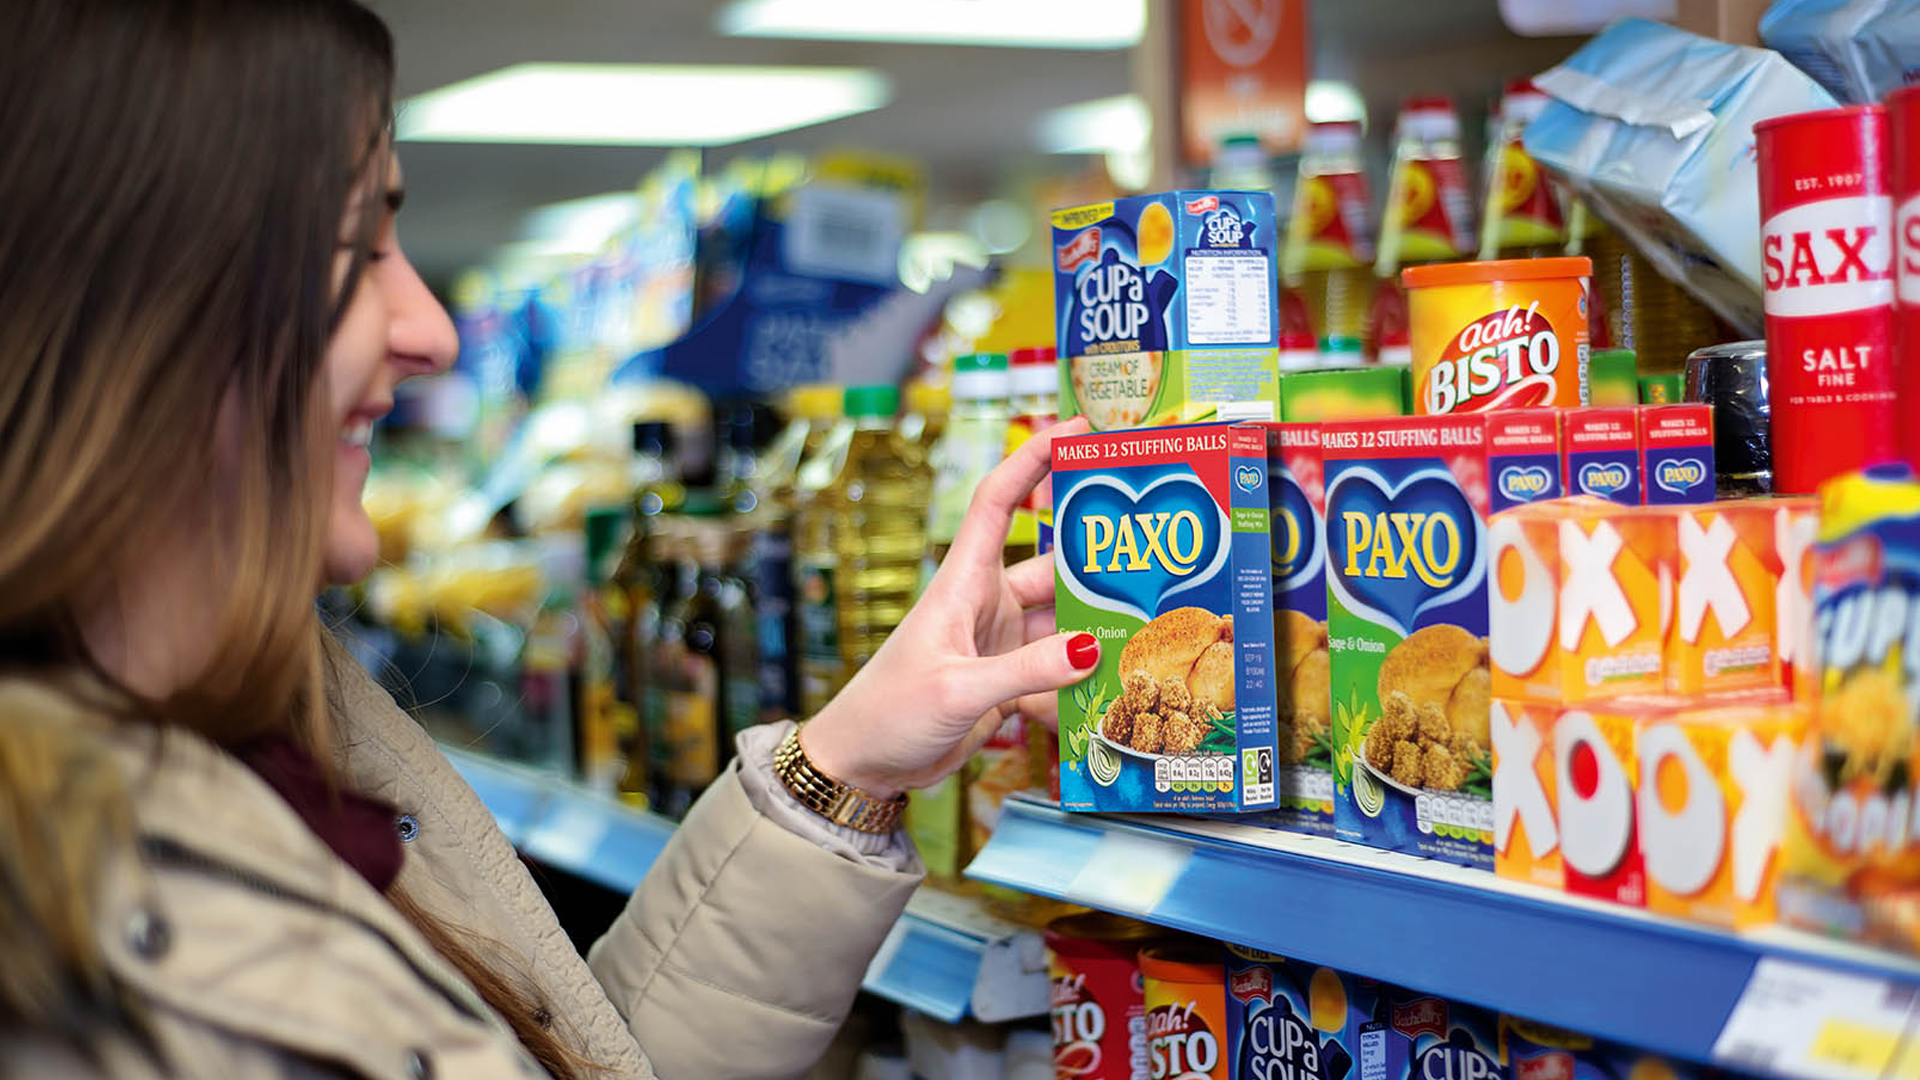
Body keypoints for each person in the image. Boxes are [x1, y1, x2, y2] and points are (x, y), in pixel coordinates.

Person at [0, 2, 1100, 1077]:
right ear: (123, 306)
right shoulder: (63, 922)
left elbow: (589, 1058)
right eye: (354, 248)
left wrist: (844, 763)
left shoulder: (277, 716)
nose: (430, 329)